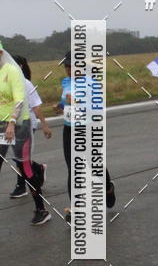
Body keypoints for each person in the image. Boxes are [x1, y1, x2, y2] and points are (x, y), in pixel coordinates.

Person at [56, 51, 116, 224]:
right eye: (66, 67)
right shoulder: (67, 83)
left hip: (88, 129)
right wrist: (60, 106)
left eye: (71, 66)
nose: (68, 70)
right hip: (69, 129)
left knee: (95, 166)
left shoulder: (91, 83)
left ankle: (108, 188)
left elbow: (97, 109)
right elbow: (65, 101)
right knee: (73, 169)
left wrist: (77, 103)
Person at [0, 42, 50, 224]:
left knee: (24, 167)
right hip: (1, 126)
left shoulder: (13, 72)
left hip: (19, 126)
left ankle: (41, 209)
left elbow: (20, 100)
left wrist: (12, 123)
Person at [9, 55, 52, 198]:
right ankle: (38, 168)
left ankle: (22, 186)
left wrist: (45, 126)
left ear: (20, 66)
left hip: (27, 125)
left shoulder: (26, 84)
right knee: (18, 158)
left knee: (20, 158)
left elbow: (36, 107)